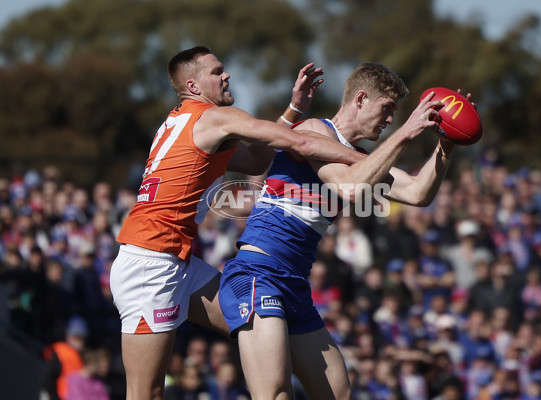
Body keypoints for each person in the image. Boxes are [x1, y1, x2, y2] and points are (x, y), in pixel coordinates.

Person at [109, 45, 365, 400]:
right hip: (150, 267)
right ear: (193, 86)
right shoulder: (213, 118)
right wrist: (366, 163)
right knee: (146, 393)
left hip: (177, 263)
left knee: (261, 321)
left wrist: (294, 109)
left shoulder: (186, 120)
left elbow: (256, 159)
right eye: (216, 72)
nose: (226, 75)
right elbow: (302, 142)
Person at [219, 62, 470, 399]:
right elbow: (349, 187)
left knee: (338, 394)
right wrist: (406, 133)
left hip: (295, 284)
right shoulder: (311, 130)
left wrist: (446, 144)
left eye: (395, 114)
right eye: (387, 108)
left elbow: (417, 193)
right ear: (361, 99)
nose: (391, 120)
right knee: (275, 395)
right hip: (257, 273)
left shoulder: (362, 158)